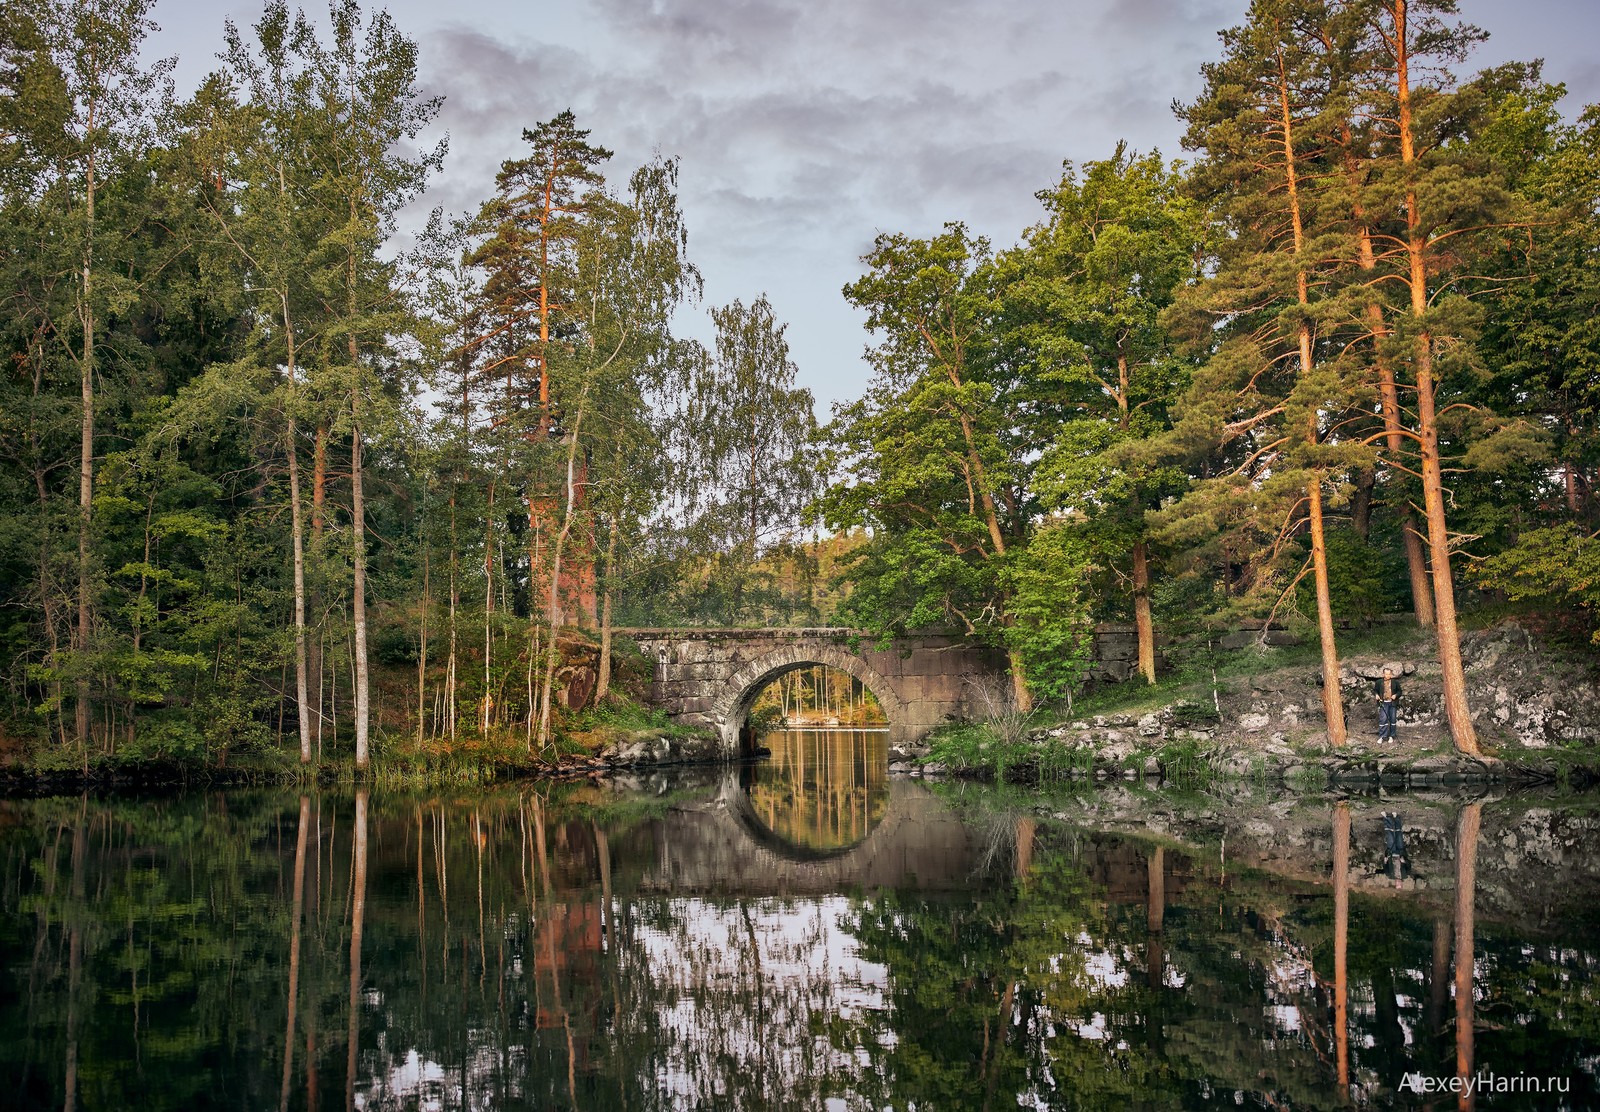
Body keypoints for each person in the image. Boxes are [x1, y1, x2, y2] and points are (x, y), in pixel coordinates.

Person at [1373, 667, 1401, 742]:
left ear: (1391, 674)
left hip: (1392, 703)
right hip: (1383, 703)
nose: (1387, 675)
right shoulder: (1379, 682)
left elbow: (1400, 691)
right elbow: (1375, 690)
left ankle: (1392, 736)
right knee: (1383, 719)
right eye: (1386, 674)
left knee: (1392, 719)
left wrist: (1396, 695)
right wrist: (1376, 695)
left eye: (1389, 674)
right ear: (1383, 674)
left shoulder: (1395, 682)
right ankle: (1382, 736)